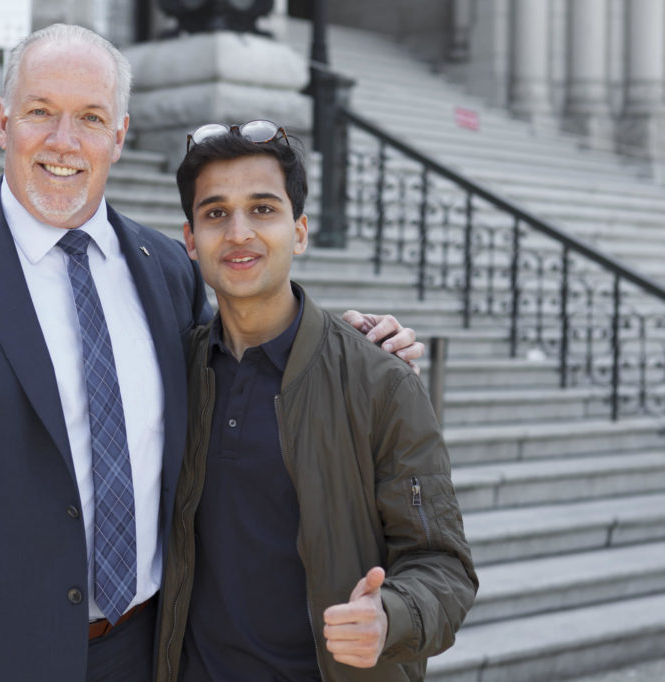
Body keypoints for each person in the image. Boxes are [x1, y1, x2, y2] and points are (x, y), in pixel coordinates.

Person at [0, 24, 423, 682]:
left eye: (91, 118)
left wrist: (351, 343)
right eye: (42, 111)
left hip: (144, 651)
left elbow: (248, 355)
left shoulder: (168, 273)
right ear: (3, 120)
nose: (64, 141)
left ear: (120, 136)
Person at [155, 125, 478, 682]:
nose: (239, 233)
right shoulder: (171, 370)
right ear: (190, 240)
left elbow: (443, 565)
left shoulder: (381, 380)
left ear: (299, 231)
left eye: (262, 209)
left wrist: (391, 615)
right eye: (215, 214)